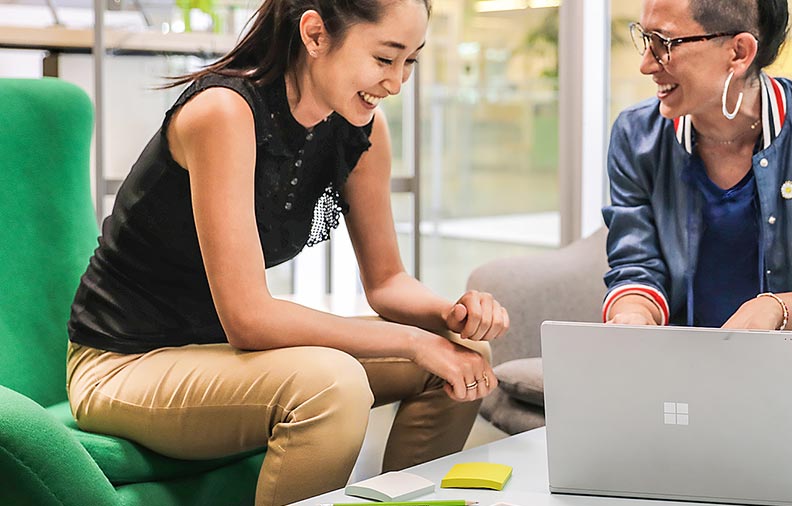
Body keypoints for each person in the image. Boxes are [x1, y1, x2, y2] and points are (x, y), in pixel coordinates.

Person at [65, 0, 510, 504]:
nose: (397, 82)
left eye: (410, 60)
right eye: (385, 58)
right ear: (316, 35)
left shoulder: (362, 129)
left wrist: (452, 313)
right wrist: (411, 342)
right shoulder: (223, 113)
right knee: (332, 386)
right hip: (125, 362)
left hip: (227, 357)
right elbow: (249, 319)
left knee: (463, 354)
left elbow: (387, 283)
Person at [603, 0, 792, 474]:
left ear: (738, 52)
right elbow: (635, 267)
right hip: (687, 355)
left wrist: (772, 311)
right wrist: (631, 319)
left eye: (664, 45)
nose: (645, 64)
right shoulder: (635, 135)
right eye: (645, 40)